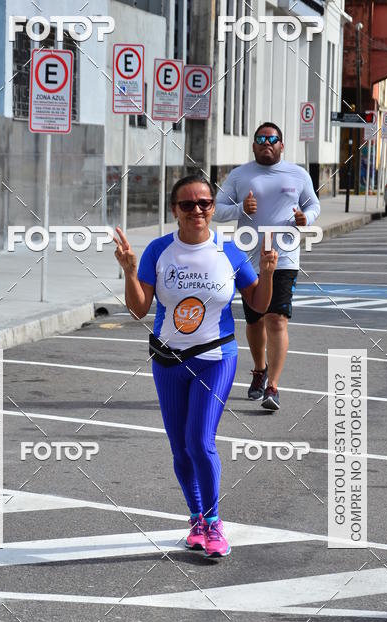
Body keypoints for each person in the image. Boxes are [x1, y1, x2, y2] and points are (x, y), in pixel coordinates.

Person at [113, 174, 278, 557]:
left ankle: (215, 523)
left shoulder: (230, 252)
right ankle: (196, 520)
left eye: (204, 203)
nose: (197, 210)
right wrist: (128, 270)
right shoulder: (158, 251)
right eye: (188, 204)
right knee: (180, 449)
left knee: (200, 441)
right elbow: (139, 309)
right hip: (168, 359)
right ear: (175, 211)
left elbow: (258, 305)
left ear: (212, 208)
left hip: (215, 357)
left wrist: (267, 272)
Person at [214, 122, 320, 411]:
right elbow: (216, 208)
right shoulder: (239, 175)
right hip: (247, 258)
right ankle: (259, 370)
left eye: (272, 139)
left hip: (283, 257)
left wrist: (306, 219)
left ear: (281, 145)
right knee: (254, 320)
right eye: (260, 139)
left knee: (276, 319)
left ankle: (272, 386)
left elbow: (313, 205)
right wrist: (239, 209)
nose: (266, 143)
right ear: (253, 146)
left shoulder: (297, 174)